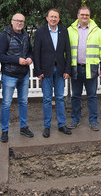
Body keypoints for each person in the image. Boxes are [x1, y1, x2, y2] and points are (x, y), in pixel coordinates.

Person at [67, 6, 101, 131]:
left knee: (92, 96)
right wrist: (66, 67)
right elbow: (66, 51)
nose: (84, 17)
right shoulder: (70, 30)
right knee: (75, 96)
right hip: (76, 68)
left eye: (87, 15)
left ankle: (93, 121)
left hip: (91, 68)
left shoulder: (97, 31)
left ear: (89, 16)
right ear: (78, 15)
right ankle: (75, 119)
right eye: (82, 14)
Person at [33, 9, 72, 138]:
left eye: (56, 17)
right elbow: (36, 53)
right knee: (47, 99)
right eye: (51, 17)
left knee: (60, 98)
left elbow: (68, 51)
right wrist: (38, 71)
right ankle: (47, 126)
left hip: (60, 70)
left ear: (59, 19)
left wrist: (67, 70)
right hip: (46, 70)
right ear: (47, 18)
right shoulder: (40, 32)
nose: (53, 19)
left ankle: (61, 125)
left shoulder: (63, 31)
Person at [0, 13, 34, 142]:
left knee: (23, 102)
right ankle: (4, 130)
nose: (19, 23)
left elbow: (30, 51)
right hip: (9, 75)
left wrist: (30, 58)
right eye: (17, 21)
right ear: (12, 22)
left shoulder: (26, 35)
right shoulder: (4, 36)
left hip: (23, 74)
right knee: (6, 104)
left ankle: (23, 127)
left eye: (22, 21)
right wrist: (16, 60)